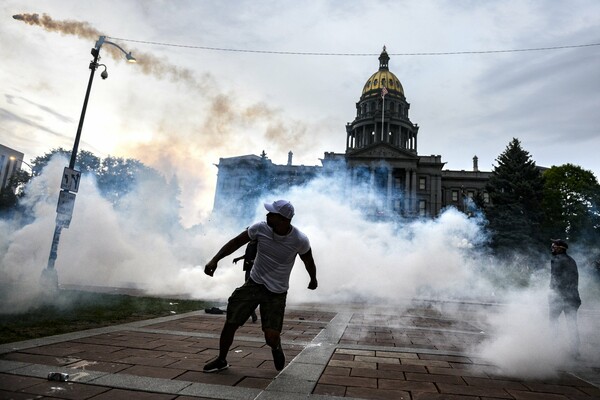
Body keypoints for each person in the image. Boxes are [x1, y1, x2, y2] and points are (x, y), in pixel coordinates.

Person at [203, 200, 318, 373]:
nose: (267, 215)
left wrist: (313, 279)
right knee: (231, 322)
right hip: (254, 284)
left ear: (283, 219)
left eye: (272, 213)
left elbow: (308, 260)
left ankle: (276, 346)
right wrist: (215, 259)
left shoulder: (299, 240)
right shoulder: (260, 228)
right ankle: (221, 359)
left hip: (277, 292)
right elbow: (235, 242)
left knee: (271, 337)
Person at [548, 238, 581, 356]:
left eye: (554, 246)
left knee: (552, 321)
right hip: (573, 297)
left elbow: (555, 280)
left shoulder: (557, 260)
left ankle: (553, 348)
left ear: (560, 248)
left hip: (560, 297)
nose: (552, 247)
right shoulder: (571, 260)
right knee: (572, 324)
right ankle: (575, 351)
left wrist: (552, 295)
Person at [232, 239, 258, 322]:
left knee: (249, 291)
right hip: (248, 269)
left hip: (253, 270)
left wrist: (254, 261)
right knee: (248, 290)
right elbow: (247, 255)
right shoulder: (250, 244)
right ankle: (252, 312)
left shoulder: (258, 244)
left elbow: (260, 255)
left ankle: (251, 312)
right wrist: (238, 258)